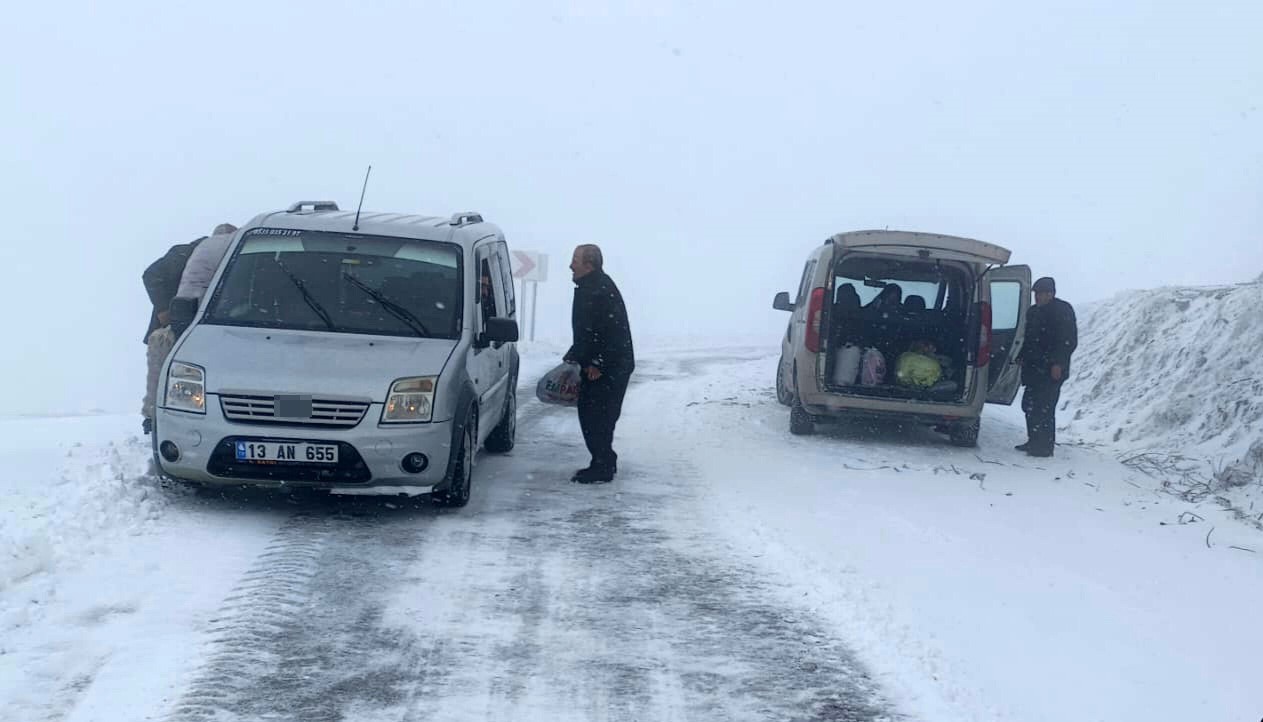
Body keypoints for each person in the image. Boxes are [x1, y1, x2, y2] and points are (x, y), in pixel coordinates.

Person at [563, 244, 635, 484]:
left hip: (611, 367)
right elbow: (589, 331)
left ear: (589, 265)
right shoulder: (590, 287)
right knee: (592, 415)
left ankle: (602, 466)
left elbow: (614, 332)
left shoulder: (600, 290)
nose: (570, 265)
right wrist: (576, 353)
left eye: (575, 260)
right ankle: (603, 461)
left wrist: (599, 363)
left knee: (598, 417)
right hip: (604, 364)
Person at [140, 235, 205, 433]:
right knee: (163, 369)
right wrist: (164, 311)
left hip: (190, 325)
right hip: (168, 328)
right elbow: (151, 275)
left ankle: (173, 415)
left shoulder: (206, 257)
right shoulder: (185, 254)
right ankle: (154, 417)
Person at [1016, 276, 1078, 457]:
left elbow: (1068, 341)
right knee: (1029, 405)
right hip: (1033, 368)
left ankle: (1044, 446)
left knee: (1044, 407)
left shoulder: (1063, 310)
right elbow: (1029, 338)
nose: (1038, 297)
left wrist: (1058, 363)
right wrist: (1021, 355)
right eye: (1036, 293)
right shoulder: (1033, 312)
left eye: (1041, 293)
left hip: (1051, 370)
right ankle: (1033, 440)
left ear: (1051, 294)